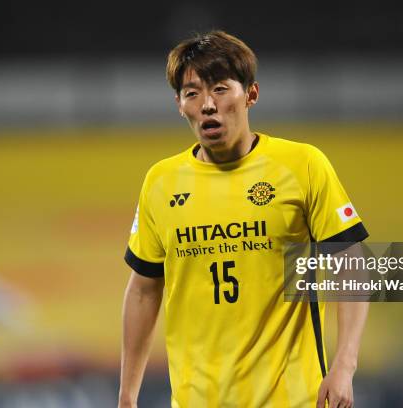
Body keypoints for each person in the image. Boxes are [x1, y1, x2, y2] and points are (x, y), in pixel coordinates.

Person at [119, 30, 369, 408]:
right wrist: (127, 396)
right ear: (179, 104)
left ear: (250, 94)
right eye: (192, 93)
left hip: (293, 399)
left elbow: (351, 262)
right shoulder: (160, 183)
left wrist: (345, 366)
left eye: (220, 89)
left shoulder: (302, 166)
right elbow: (143, 289)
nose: (207, 105)